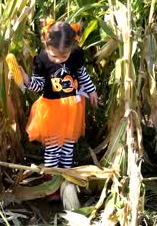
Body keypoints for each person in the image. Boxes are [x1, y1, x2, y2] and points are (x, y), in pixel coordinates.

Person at [15, 18, 98, 200]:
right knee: (53, 148)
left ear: (72, 47)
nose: (59, 60)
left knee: (68, 147)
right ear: (46, 43)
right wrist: (27, 80)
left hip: (72, 108)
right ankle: (51, 184)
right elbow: (38, 85)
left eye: (63, 56)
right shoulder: (43, 60)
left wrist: (92, 91)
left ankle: (65, 183)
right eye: (55, 56)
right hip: (51, 110)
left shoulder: (76, 56)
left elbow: (82, 76)